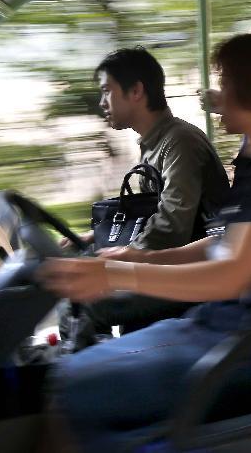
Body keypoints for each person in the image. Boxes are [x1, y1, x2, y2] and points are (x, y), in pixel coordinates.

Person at [39, 33, 251, 451]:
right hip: (219, 325)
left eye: (224, 82)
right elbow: (221, 242)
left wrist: (115, 273)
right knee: (66, 379)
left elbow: (231, 276)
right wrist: (146, 258)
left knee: (67, 387)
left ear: (250, 89)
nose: (215, 95)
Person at [61, 47, 229, 349]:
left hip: (193, 269)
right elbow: (148, 215)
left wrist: (121, 262)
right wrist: (92, 238)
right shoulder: (155, 145)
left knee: (86, 300)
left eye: (107, 91)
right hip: (169, 259)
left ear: (136, 90)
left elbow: (172, 226)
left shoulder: (180, 142)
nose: (102, 102)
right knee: (76, 272)